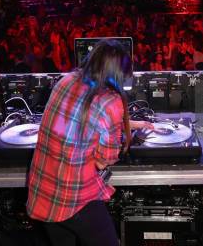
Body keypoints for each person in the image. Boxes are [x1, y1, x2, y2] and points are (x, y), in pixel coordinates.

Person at [27, 40, 152, 246]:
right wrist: (121, 134)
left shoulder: (66, 80)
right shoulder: (111, 101)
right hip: (73, 197)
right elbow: (104, 162)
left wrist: (133, 123)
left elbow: (78, 121)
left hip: (42, 193)